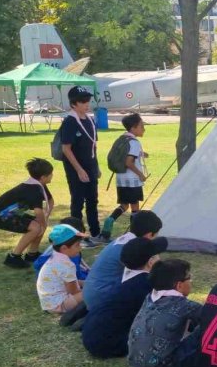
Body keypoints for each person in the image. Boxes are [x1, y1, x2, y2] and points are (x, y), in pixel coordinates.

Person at [81, 237, 166, 358]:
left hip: (91, 335)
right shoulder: (145, 285)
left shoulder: (124, 277)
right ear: (151, 262)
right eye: (157, 255)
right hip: (107, 343)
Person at [128, 259, 203, 367]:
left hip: (137, 366)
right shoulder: (185, 305)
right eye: (189, 278)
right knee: (210, 326)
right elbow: (211, 317)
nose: (191, 281)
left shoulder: (149, 298)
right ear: (179, 285)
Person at [82, 210, 163, 312]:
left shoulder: (123, 240)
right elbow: (151, 275)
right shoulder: (133, 249)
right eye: (155, 236)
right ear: (149, 235)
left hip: (92, 294)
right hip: (101, 300)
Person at [0, 158, 54, 268]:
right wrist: (42, 223)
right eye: (51, 174)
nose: (52, 175)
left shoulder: (39, 184)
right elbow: (38, 211)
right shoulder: (34, 190)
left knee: (40, 225)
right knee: (36, 228)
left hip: (10, 213)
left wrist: (45, 218)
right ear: (43, 177)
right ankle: (13, 257)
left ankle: (32, 254)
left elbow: (50, 201)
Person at [59, 85, 102, 246]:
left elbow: (93, 145)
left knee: (93, 200)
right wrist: (79, 169)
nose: (86, 103)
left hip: (90, 165)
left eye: (87, 100)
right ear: (73, 104)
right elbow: (66, 148)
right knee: (78, 201)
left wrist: (95, 167)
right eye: (82, 101)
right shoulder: (70, 121)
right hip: (75, 168)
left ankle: (95, 232)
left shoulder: (90, 120)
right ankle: (77, 237)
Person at [100, 113, 148, 241]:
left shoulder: (122, 138)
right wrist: (141, 175)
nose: (144, 129)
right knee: (135, 208)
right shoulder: (134, 142)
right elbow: (128, 162)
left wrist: (142, 153)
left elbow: (125, 154)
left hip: (121, 179)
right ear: (133, 128)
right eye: (141, 126)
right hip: (132, 181)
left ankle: (109, 222)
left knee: (124, 205)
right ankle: (134, 235)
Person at [36, 224, 88, 314]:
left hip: (48, 304)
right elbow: (74, 291)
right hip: (60, 305)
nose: (80, 248)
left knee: (89, 286)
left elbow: (70, 281)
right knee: (92, 292)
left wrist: (85, 283)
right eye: (77, 245)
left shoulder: (54, 258)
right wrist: (88, 288)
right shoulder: (67, 265)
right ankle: (77, 313)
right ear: (64, 248)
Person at [33, 217, 91, 281]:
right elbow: (74, 280)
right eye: (78, 243)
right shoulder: (66, 260)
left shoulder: (59, 244)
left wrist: (88, 268)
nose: (80, 247)